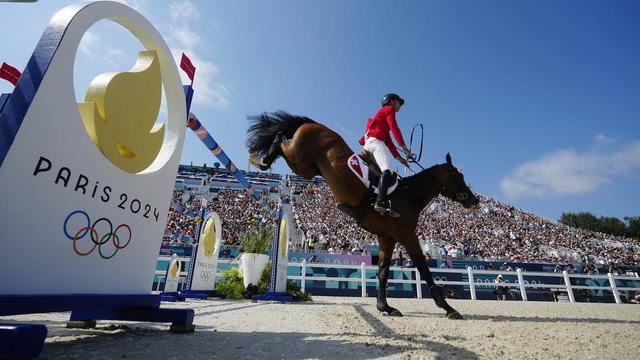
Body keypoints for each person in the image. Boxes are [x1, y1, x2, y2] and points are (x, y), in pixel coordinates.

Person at [358, 93, 412, 217]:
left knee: (379, 172)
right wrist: (404, 148)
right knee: (387, 171)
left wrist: (401, 159)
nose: (400, 106)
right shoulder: (389, 109)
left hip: (369, 144)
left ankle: (373, 196)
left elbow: (390, 143)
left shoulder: (382, 123)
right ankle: (381, 201)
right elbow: (395, 128)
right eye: (399, 102)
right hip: (376, 143)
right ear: (392, 101)